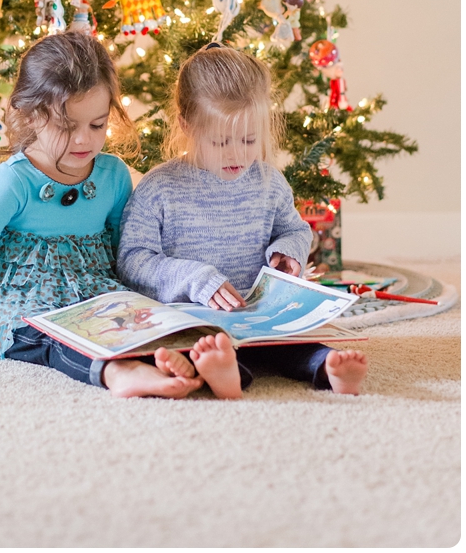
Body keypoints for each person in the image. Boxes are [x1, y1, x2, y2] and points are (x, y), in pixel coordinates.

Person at [0, 32, 203, 399]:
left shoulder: (113, 176)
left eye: (97, 125)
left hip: (94, 296)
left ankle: (163, 359)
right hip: (22, 303)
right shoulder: (15, 180)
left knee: (134, 322)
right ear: (30, 115)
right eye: (66, 126)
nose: (83, 141)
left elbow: (129, 254)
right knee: (43, 339)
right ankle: (115, 372)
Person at [116, 44, 368, 399]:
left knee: (299, 346)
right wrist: (194, 277)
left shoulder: (268, 181)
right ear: (186, 125)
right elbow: (132, 260)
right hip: (193, 318)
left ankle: (329, 368)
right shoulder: (159, 188)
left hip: (259, 317)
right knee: (193, 350)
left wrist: (287, 253)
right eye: (220, 142)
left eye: (249, 140)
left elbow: (295, 229)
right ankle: (225, 373)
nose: (237, 154)